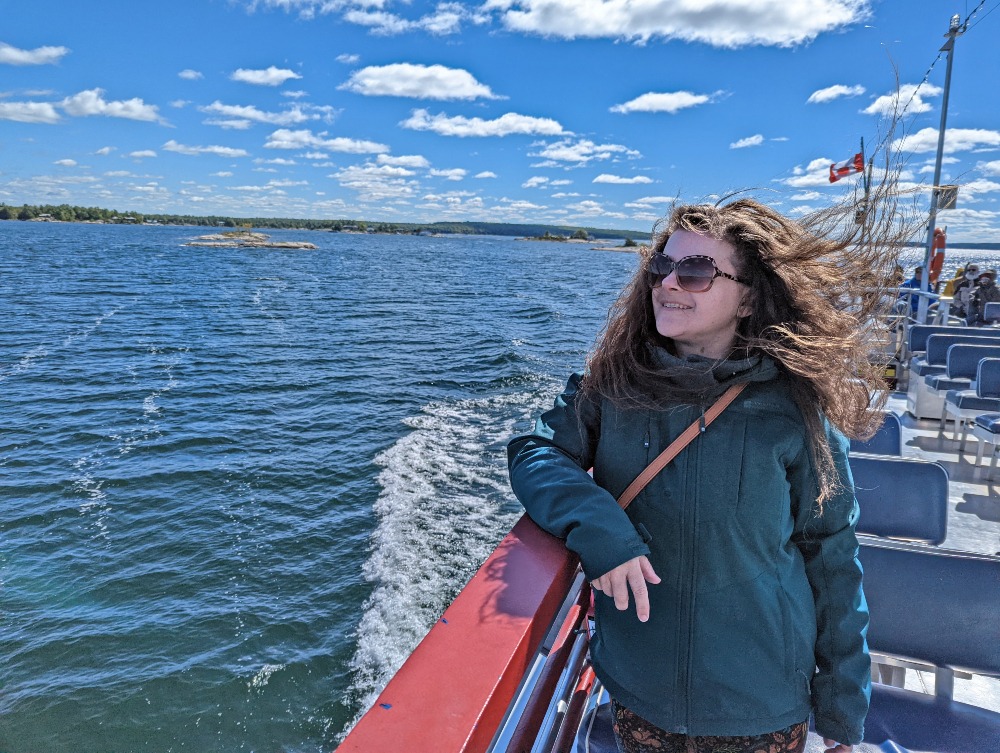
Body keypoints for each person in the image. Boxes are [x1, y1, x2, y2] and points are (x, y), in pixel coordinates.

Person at [508, 198, 902, 753]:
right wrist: (601, 531)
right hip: (642, 691)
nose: (668, 283)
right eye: (661, 268)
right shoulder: (613, 384)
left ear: (748, 298)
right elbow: (536, 453)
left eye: (694, 272)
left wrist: (840, 717)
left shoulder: (792, 410)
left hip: (760, 702)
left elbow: (831, 558)